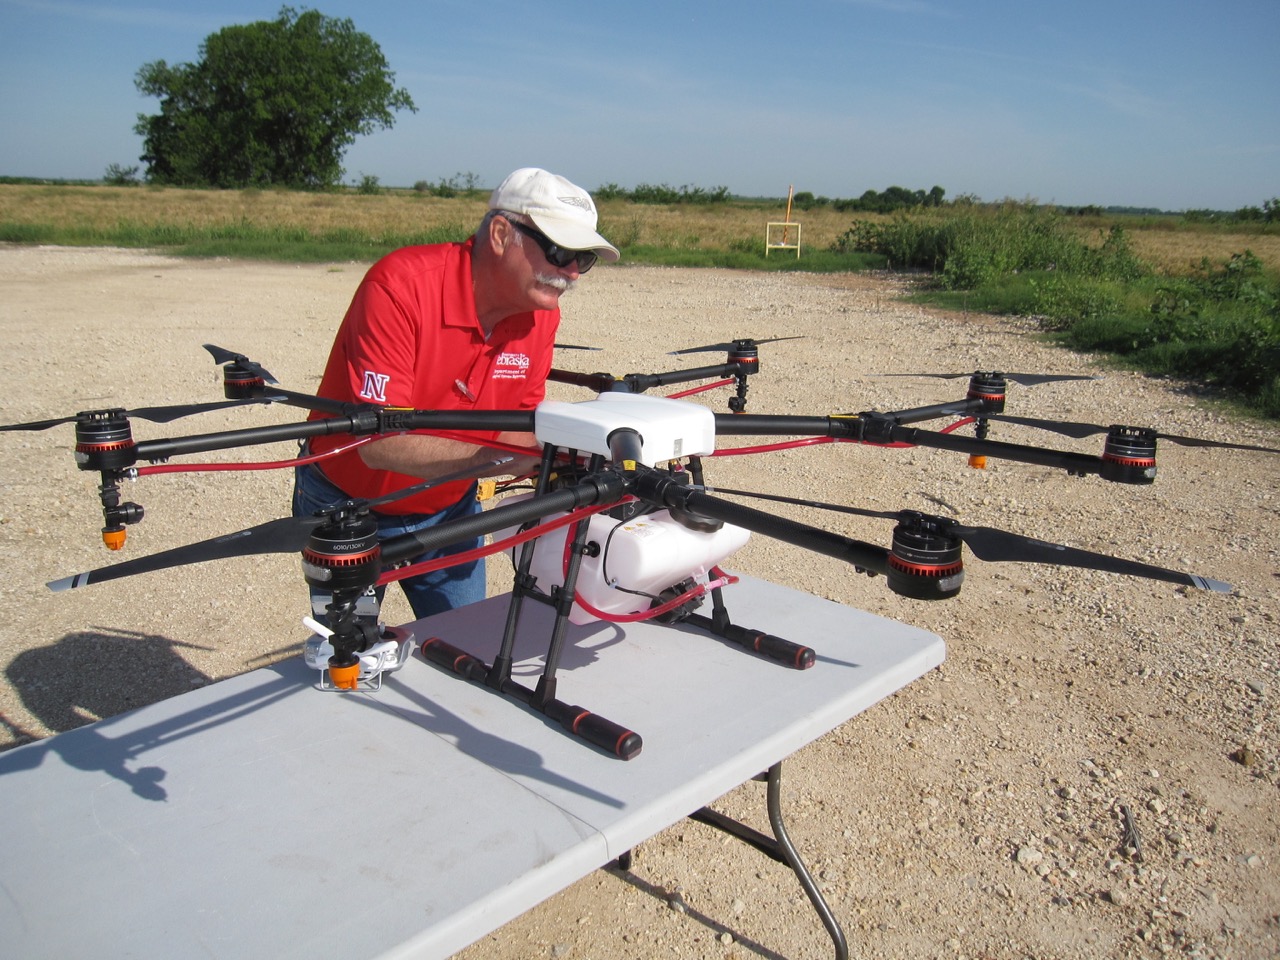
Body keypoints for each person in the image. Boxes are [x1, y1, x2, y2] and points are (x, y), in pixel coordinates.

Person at [293, 167, 619, 623]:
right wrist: (519, 449)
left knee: (465, 647)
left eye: (582, 259)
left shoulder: (539, 315)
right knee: (352, 657)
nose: (571, 274)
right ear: (502, 233)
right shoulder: (400, 286)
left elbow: (524, 425)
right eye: (559, 251)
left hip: (449, 511)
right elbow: (380, 443)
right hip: (348, 509)